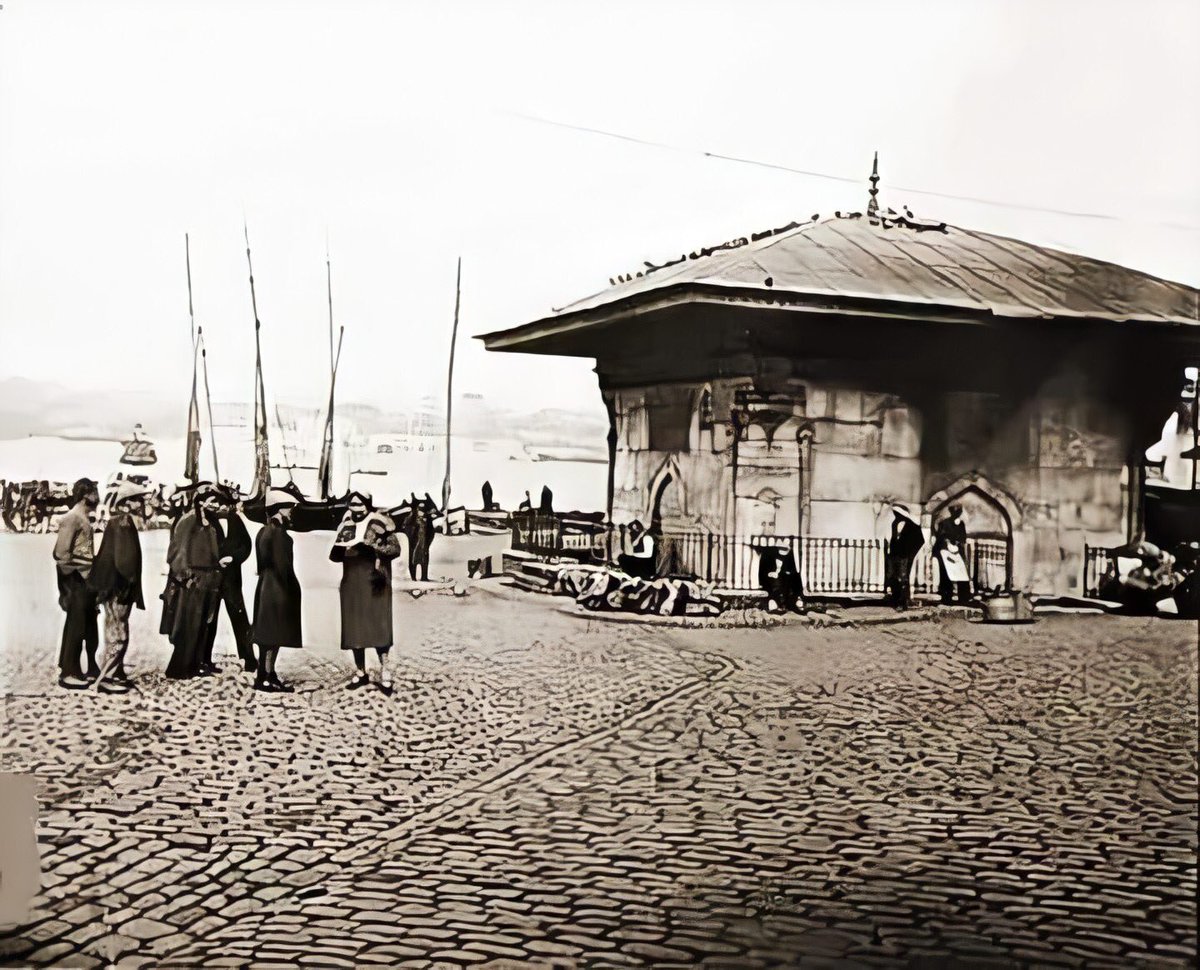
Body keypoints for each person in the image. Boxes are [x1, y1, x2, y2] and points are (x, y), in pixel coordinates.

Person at [331, 495, 403, 693]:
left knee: (378, 627)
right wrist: (338, 549)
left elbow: (395, 549)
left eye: (359, 503)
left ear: (367, 504)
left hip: (374, 581)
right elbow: (335, 555)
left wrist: (372, 547)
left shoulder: (379, 523)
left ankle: (385, 670)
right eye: (352, 504)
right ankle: (361, 671)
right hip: (352, 582)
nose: (356, 508)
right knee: (355, 629)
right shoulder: (345, 524)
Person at [88, 480, 149, 693]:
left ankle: (116, 671)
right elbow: (124, 562)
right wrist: (128, 585)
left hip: (111, 587)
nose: (141, 503)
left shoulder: (117, 521)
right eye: (136, 500)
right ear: (125, 503)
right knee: (119, 634)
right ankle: (108, 678)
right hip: (119, 588)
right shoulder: (123, 522)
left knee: (112, 630)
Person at [165, 485, 225, 679]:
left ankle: (196, 664)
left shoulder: (208, 521)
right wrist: (186, 577)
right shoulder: (189, 520)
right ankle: (181, 668)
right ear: (201, 501)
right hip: (193, 581)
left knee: (202, 625)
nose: (216, 505)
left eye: (218, 502)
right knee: (189, 625)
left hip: (208, 580)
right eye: (212, 501)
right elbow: (178, 552)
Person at [201, 489, 257, 673]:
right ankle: (204, 659)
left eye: (224, 504)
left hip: (232, 580)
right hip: (213, 580)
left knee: (240, 619)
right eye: (217, 504)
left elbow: (246, 545)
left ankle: (249, 659)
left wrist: (234, 558)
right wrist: (214, 561)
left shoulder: (235, 520)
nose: (221, 507)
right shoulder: (205, 521)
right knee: (209, 620)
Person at [252, 490, 303, 692]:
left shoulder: (265, 530)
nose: (291, 511)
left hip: (267, 585)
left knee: (269, 632)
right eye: (288, 507)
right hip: (277, 588)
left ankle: (267, 674)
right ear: (278, 509)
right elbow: (283, 566)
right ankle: (264, 676)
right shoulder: (277, 533)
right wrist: (292, 587)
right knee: (271, 634)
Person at [52, 478, 101, 688]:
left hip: (86, 580)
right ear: (86, 494)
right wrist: (73, 580)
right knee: (76, 626)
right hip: (76, 580)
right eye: (95, 492)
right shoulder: (72, 518)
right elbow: (61, 553)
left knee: (89, 625)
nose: (98, 497)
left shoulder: (83, 517)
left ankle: (89, 667)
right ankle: (68, 672)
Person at [886, 505, 925, 611]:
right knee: (898, 578)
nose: (895, 515)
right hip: (898, 555)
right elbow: (894, 540)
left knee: (903, 578)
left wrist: (910, 554)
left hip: (904, 556)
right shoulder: (896, 523)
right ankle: (900, 600)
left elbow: (920, 540)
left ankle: (902, 601)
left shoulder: (910, 525)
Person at [933, 504, 971, 604]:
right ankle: (946, 598)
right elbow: (941, 537)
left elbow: (963, 538)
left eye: (959, 511)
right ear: (951, 512)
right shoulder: (944, 523)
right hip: (946, 553)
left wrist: (958, 545)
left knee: (962, 574)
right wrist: (948, 544)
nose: (958, 513)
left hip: (957, 552)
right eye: (956, 511)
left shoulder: (961, 524)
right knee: (946, 575)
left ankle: (964, 598)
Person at [758, 542, 805, 613]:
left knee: (791, 580)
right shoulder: (769, 555)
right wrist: (770, 574)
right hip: (773, 584)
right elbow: (762, 573)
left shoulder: (792, 557)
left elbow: (793, 572)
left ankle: (792, 600)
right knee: (775, 584)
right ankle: (773, 600)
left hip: (786, 583)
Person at [406, 493, 433, 582]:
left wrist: (428, 542)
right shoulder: (412, 520)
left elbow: (431, 532)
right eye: (420, 510)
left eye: (423, 510)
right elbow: (407, 528)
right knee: (413, 560)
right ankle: (413, 577)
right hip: (415, 544)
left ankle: (424, 577)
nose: (421, 512)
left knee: (424, 560)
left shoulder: (428, 521)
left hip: (424, 544)